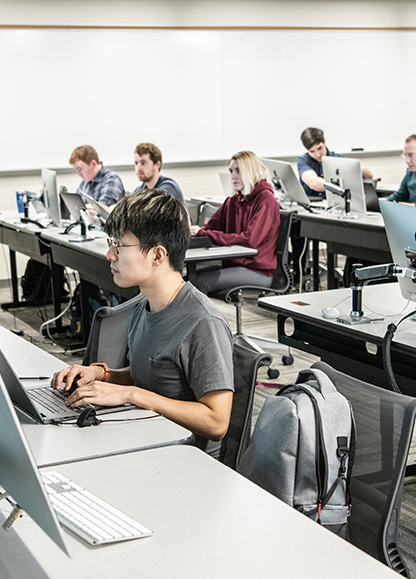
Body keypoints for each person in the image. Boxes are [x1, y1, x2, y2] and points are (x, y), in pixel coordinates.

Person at [51, 189, 234, 457]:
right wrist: (100, 374)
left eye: (120, 246)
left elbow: (217, 422)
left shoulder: (203, 323)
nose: (109, 254)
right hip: (144, 437)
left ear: (158, 255)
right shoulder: (144, 305)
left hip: (183, 460)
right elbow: (151, 376)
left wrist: (132, 395)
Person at [188, 151, 280, 295]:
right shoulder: (233, 201)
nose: (233, 176)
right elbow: (209, 228)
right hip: (235, 265)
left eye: (238, 171)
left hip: (257, 271)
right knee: (184, 281)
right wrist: (194, 232)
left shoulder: (266, 199)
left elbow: (250, 241)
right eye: (231, 171)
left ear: (250, 171)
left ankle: (206, 318)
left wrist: (204, 233)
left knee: (199, 283)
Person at [296, 127, 373, 200]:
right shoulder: (303, 161)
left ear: (324, 142)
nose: (318, 154)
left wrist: (358, 171)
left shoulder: (338, 159)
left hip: (334, 206)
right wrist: (340, 184)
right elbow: (314, 183)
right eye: (312, 151)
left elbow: (369, 176)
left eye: (320, 148)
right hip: (311, 207)